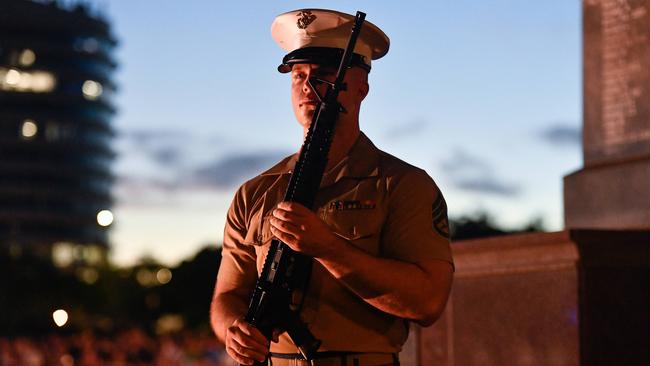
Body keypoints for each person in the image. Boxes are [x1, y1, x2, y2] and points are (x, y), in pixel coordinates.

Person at [210, 9, 454, 366]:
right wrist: (234, 329)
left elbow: (428, 301)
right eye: (298, 75)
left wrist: (329, 249)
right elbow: (228, 295)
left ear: (361, 88)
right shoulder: (255, 193)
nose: (308, 86)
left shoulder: (402, 185)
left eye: (325, 75)